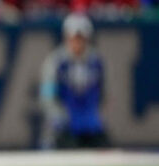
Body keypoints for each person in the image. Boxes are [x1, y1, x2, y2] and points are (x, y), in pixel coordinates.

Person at [39, 13, 108, 149]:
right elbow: (47, 96)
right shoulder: (55, 62)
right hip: (65, 123)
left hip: (90, 123)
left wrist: (93, 115)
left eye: (81, 38)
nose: (77, 42)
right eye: (74, 38)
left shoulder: (96, 62)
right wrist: (58, 117)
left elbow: (102, 92)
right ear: (67, 37)